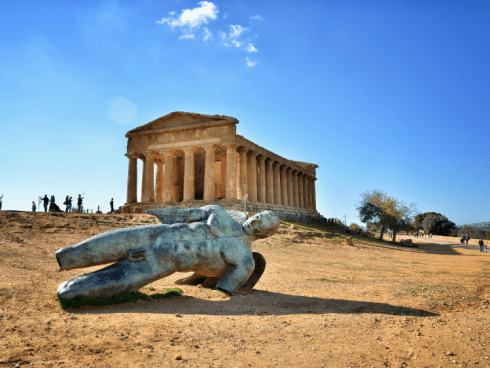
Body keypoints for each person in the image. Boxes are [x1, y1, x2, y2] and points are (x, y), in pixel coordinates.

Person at [56, 205, 280, 300]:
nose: (256, 222)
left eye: (262, 225)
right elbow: (185, 214)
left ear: (265, 235)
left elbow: (223, 289)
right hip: (156, 233)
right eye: (257, 216)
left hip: (165, 262)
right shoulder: (219, 212)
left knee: (70, 291)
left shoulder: (245, 261)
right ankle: (66, 259)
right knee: (73, 253)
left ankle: (72, 295)